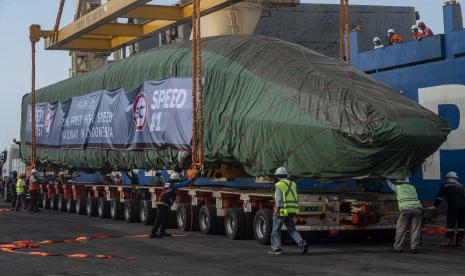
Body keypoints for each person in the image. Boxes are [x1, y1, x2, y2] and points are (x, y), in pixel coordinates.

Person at [268, 167, 309, 255]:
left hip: (282, 211)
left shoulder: (279, 185)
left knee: (276, 230)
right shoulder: (293, 184)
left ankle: (276, 249)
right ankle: (302, 242)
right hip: (291, 210)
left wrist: (277, 210)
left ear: (277, 176)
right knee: (292, 229)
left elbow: (279, 199)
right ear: (286, 175)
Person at [150, 172, 196, 238]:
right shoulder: (173, 184)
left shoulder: (170, 182)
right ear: (176, 178)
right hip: (163, 204)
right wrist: (191, 180)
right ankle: (153, 233)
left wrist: (187, 178)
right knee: (159, 219)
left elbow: (180, 181)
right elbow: (181, 184)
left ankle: (162, 232)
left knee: (166, 219)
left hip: (164, 203)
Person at [388, 177, 422, 253]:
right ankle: (414, 248)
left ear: (399, 182)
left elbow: (390, 185)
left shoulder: (398, 187)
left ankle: (398, 248)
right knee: (415, 230)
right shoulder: (413, 187)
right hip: (417, 209)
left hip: (406, 210)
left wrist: (386, 178)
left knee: (401, 229)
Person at [432, 172, 465, 247]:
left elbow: (439, 197)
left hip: (453, 206)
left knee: (451, 222)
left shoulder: (445, 185)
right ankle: (460, 240)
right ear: (456, 179)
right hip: (463, 206)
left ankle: (448, 240)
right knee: (462, 224)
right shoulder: (461, 186)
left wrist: (435, 206)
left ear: (447, 178)